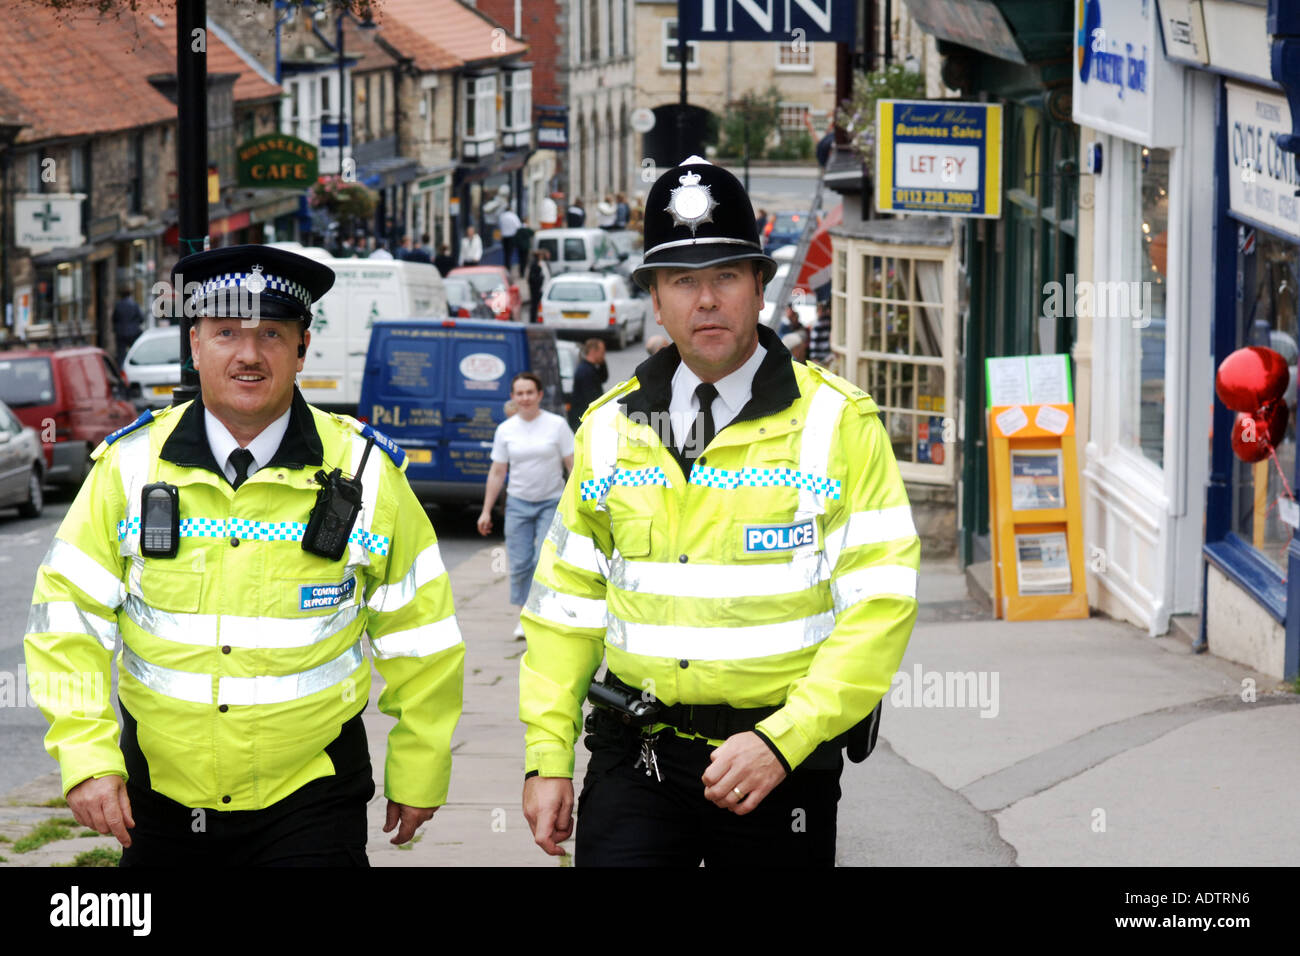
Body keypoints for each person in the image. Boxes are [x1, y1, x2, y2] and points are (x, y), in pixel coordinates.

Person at [518, 156, 920, 866]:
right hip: (634, 758)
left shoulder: (837, 424)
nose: (706, 300)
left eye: (725, 277)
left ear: (759, 286)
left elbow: (880, 605)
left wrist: (786, 738)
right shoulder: (608, 427)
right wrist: (546, 755)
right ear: (655, 296)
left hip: (775, 765)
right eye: (682, 281)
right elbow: (566, 606)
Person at [25, 245, 465, 866]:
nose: (249, 354)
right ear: (195, 344)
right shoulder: (128, 467)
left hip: (312, 796)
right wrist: (87, 758)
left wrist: (421, 762)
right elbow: (66, 620)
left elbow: (421, 636)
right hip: (162, 799)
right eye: (227, 332)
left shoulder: (365, 472)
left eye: (272, 334)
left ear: (303, 348)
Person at [478, 372, 574, 639]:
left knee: (544, 560)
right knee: (520, 563)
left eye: (530, 392)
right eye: (519, 393)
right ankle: (524, 615)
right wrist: (486, 510)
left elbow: (573, 467)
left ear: (540, 395)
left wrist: (580, 503)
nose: (525, 398)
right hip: (518, 503)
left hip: (552, 502)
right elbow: (497, 472)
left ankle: (542, 613)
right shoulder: (505, 430)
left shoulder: (557, 426)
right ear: (513, 397)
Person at [567, 338, 608, 431]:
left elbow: (604, 378)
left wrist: (602, 362)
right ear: (593, 351)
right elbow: (591, 398)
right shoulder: (585, 371)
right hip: (582, 418)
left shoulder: (591, 367)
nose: (603, 355)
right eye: (602, 352)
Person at [112, 288, 144, 366]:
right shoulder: (134, 305)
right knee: (134, 351)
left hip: (121, 333)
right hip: (133, 332)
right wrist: (134, 324)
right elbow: (141, 318)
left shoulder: (118, 305)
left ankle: (121, 370)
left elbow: (114, 318)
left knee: (121, 354)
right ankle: (134, 365)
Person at [527, 249, 551, 324]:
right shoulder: (535, 265)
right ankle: (533, 320)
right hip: (536, 289)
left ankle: (537, 319)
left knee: (539, 305)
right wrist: (541, 278)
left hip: (541, 288)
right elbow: (532, 278)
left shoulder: (541, 263)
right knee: (535, 305)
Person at [498, 206, 522, 274]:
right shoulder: (513, 216)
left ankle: (506, 266)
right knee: (510, 253)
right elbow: (518, 226)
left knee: (506, 253)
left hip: (504, 236)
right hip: (511, 236)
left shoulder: (502, 216)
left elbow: (499, 225)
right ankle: (508, 268)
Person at [809, 298, 833, 364]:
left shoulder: (819, 324)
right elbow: (814, 343)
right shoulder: (820, 324)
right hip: (824, 359)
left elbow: (813, 344)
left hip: (824, 359)